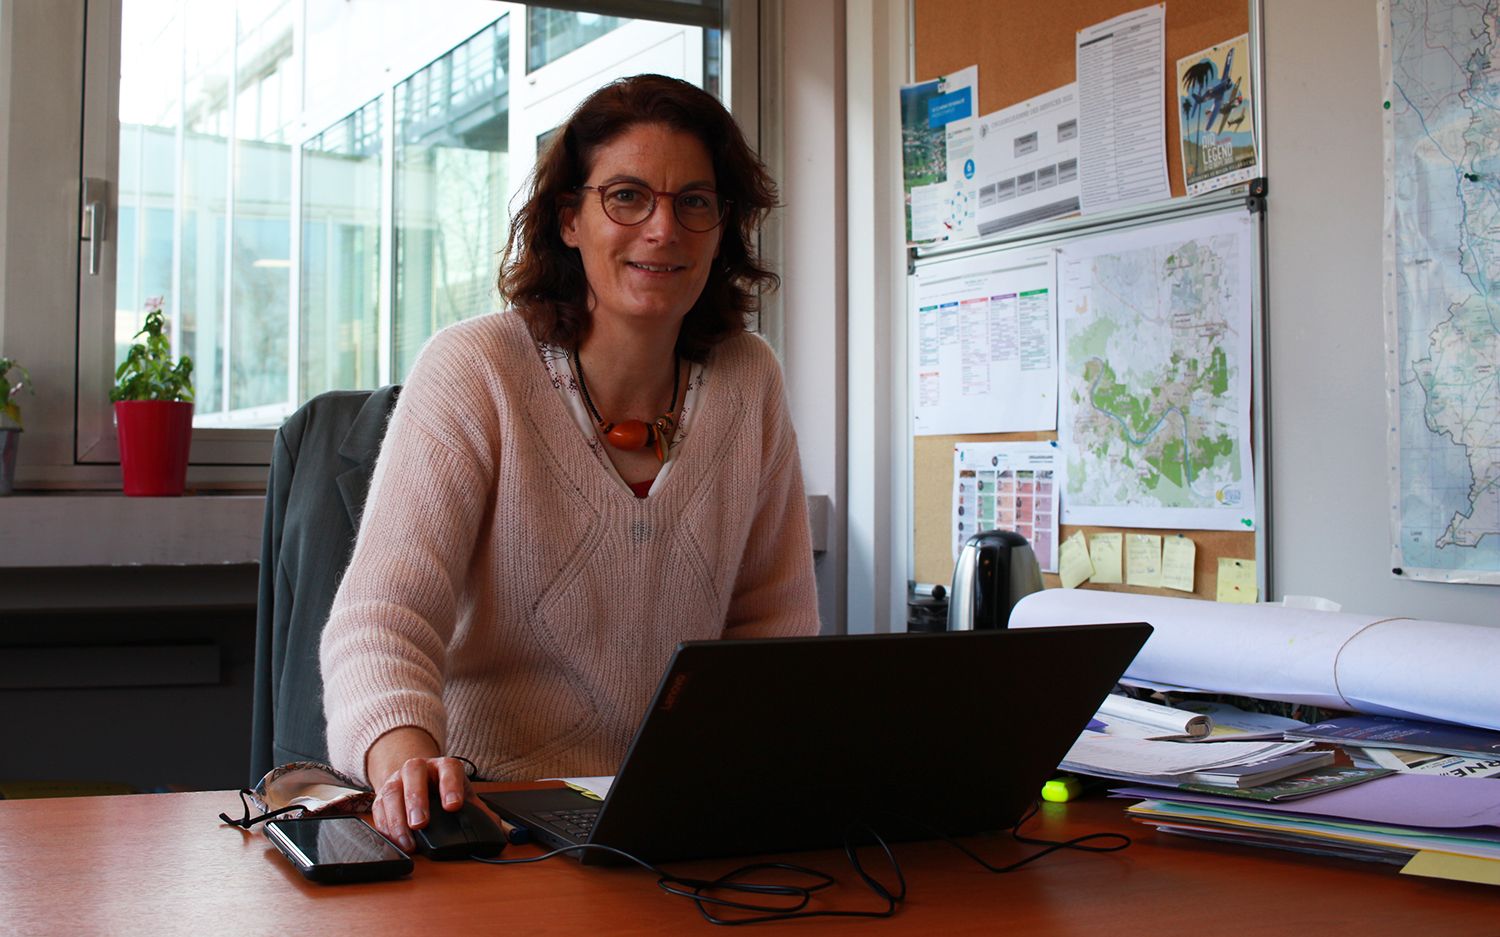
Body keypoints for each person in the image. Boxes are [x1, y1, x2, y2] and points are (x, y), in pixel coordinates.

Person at [319, 74, 821, 852]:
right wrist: (406, 762)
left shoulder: (749, 377)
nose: (663, 229)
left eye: (695, 201)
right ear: (571, 219)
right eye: (627, 196)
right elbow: (383, 616)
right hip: (493, 812)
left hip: (682, 819)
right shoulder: (476, 369)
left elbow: (772, 629)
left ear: (724, 227)